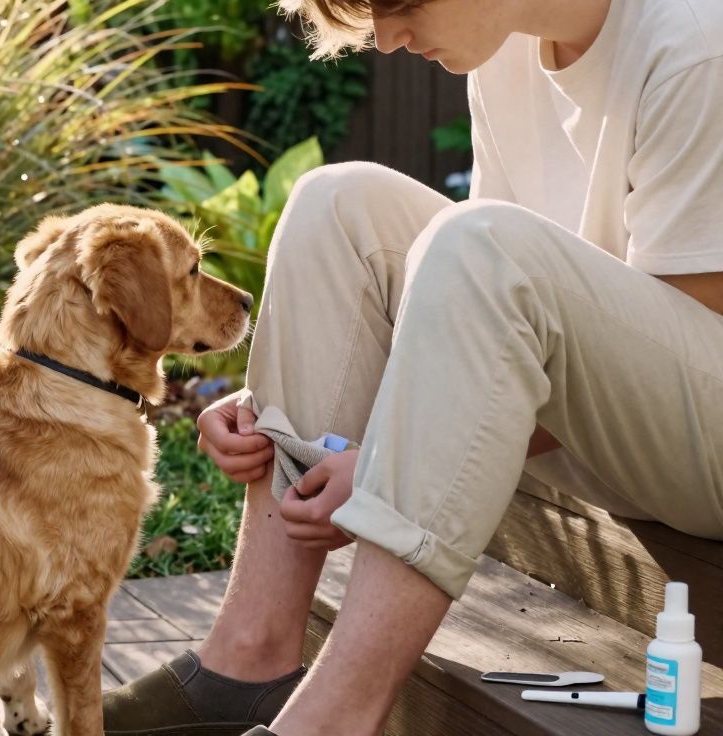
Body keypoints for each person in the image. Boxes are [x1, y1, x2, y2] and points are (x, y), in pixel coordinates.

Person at [102, 0, 723, 734]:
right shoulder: (506, 53)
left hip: (697, 445)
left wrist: (392, 458)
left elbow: (687, 336)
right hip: (585, 424)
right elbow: (481, 322)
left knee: (483, 242)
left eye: (402, 6)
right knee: (336, 202)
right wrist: (277, 401)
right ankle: (250, 657)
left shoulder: (692, 41)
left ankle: (333, 721)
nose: (391, 39)